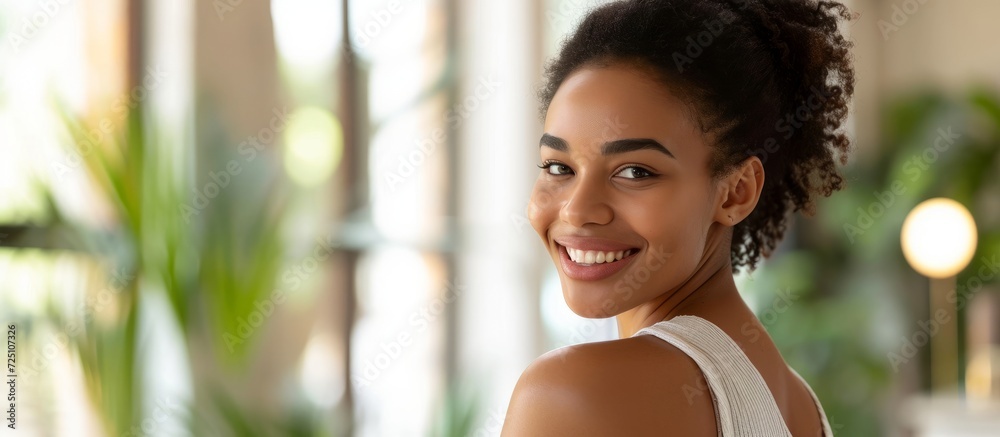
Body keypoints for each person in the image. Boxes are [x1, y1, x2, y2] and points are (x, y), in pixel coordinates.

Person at [501, 0, 854, 435]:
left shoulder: (573, 392)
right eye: (559, 167)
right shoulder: (795, 399)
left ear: (736, 192)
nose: (577, 209)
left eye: (635, 172)